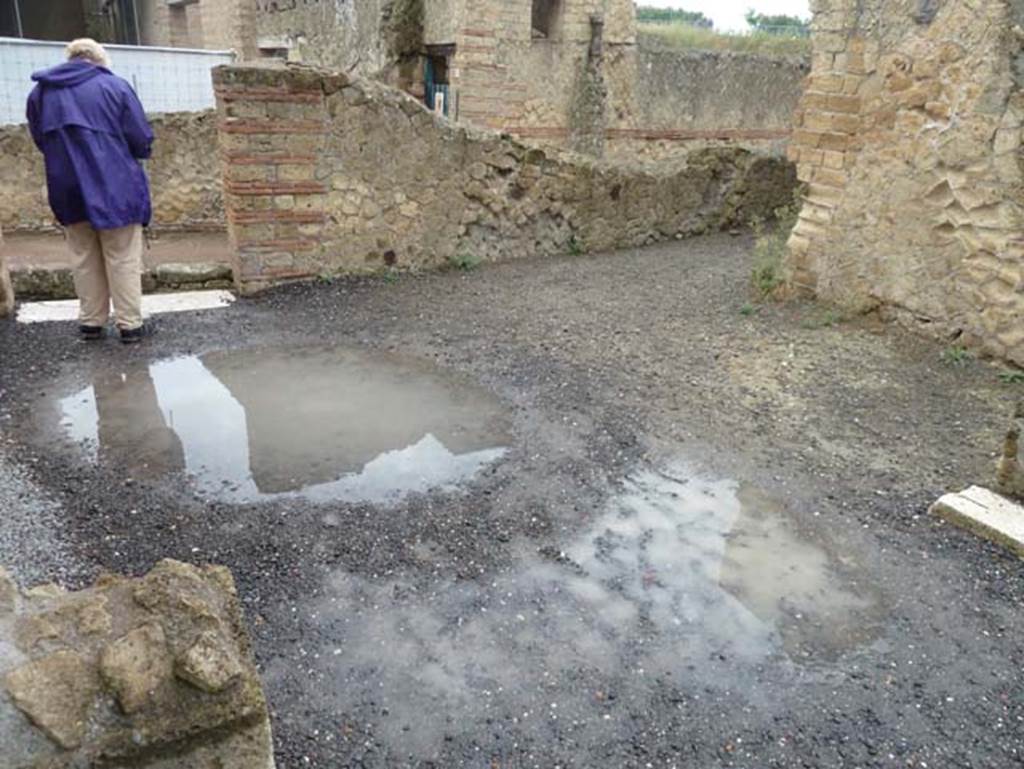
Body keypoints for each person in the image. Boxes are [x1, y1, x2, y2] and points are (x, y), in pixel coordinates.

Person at [26, 38, 154, 344]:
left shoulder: (40, 93)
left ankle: (91, 323)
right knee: (121, 254)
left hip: (67, 185)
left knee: (83, 255)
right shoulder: (115, 87)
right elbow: (140, 139)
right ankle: (130, 325)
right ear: (99, 60)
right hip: (116, 184)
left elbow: (39, 139)